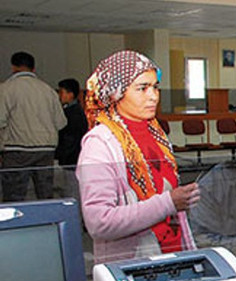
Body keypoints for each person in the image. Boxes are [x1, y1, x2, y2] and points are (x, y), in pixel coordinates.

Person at [76, 50, 200, 264]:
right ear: (116, 93)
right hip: (134, 264)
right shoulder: (100, 143)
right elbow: (99, 222)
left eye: (155, 87)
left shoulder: (156, 134)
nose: (153, 96)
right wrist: (168, 202)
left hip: (172, 254)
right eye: (142, 88)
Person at [0, 51, 67, 202]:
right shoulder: (48, 90)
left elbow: (1, 120)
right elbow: (61, 122)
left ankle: (19, 225)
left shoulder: (6, 88)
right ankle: (48, 223)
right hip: (46, 150)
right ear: (33, 68)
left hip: (17, 150)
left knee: (14, 197)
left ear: (13, 67)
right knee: (45, 195)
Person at [56, 78, 88, 168]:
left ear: (70, 94)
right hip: (73, 157)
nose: (59, 96)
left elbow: (70, 138)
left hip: (71, 158)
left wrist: (61, 154)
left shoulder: (73, 113)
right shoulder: (75, 111)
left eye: (62, 92)